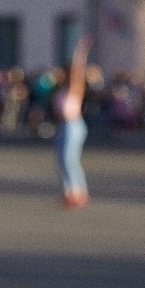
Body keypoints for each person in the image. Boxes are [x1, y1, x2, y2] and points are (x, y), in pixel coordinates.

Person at [52, 35, 92, 209]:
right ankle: (69, 191)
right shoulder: (60, 89)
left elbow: (78, 69)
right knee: (61, 159)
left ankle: (79, 192)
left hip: (74, 125)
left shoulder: (75, 86)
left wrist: (80, 51)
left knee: (70, 159)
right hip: (64, 125)